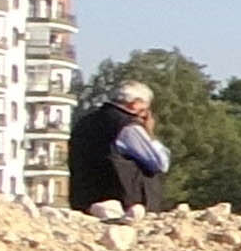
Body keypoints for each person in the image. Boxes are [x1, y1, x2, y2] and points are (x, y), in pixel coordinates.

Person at [67, 81, 170, 216]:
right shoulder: (127, 127)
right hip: (124, 206)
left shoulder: (84, 122)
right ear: (135, 104)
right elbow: (159, 163)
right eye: (145, 109)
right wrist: (150, 133)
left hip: (85, 202)